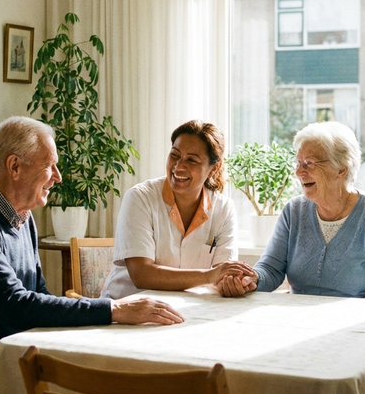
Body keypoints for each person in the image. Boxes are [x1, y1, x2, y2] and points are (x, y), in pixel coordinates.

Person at [0, 116, 183, 394]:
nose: (58, 176)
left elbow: (40, 295)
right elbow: (14, 304)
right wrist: (114, 310)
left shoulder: (22, 217)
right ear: (14, 166)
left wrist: (102, 321)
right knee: (78, 387)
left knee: (100, 367)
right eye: (50, 165)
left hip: (1, 354)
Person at [218, 121, 365, 299]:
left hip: (353, 322)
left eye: (309, 163)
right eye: (298, 163)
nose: (299, 172)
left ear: (341, 169)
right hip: (300, 321)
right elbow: (271, 268)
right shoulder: (293, 211)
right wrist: (252, 280)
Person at [100, 120, 255, 300]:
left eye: (192, 160)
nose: (179, 166)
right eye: (175, 155)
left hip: (186, 311)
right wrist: (209, 275)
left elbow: (223, 275)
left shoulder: (223, 208)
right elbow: (142, 275)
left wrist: (235, 283)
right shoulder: (140, 198)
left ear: (215, 168)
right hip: (126, 308)